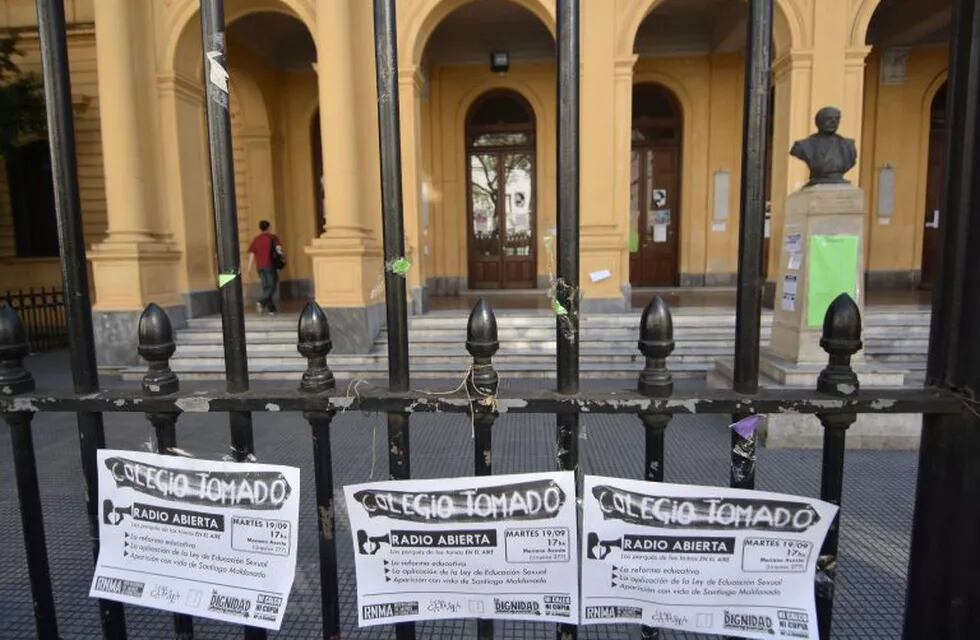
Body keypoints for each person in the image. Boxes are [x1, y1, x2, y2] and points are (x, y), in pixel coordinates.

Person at [789, 106, 858, 187]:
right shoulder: (803, 145)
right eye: (828, 119)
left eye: (836, 119)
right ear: (818, 122)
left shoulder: (848, 145)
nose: (833, 122)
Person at [247, 220, 281, 315]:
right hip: (269, 265)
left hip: (260, 266)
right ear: (269, 227)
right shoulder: (272, 238)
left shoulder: (256, 239)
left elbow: (252, 253)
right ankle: (262, 302)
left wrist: (249, 267)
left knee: (266, 286)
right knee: (272, 286)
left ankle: (271, 309)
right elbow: (278, 250)